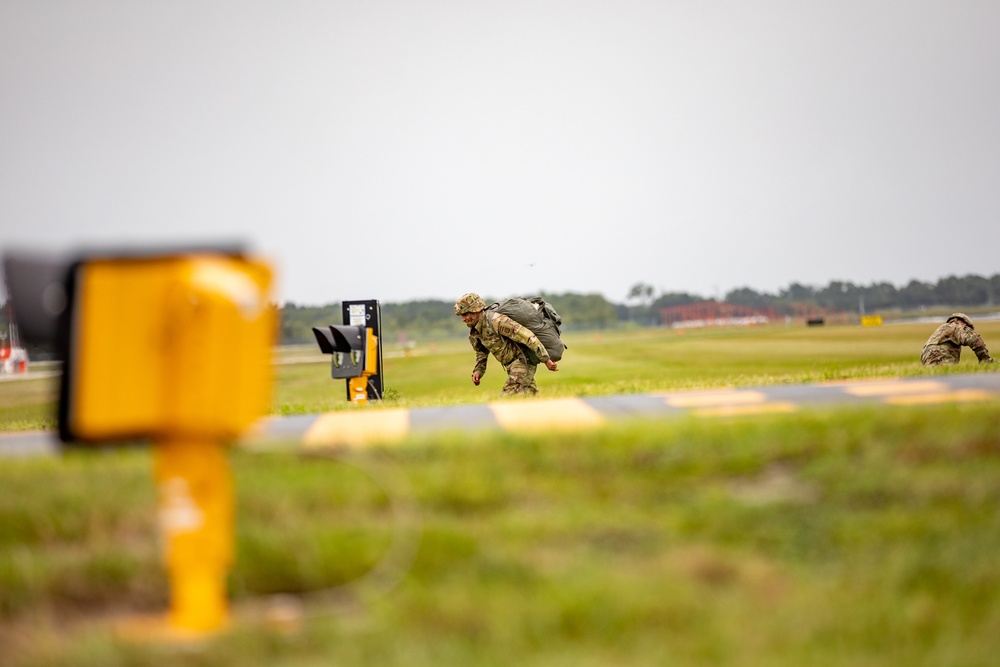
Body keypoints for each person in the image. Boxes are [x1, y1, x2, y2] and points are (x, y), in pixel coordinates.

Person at [454, 292, 558, 396]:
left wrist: (546, 359)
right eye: (462, 316)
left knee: (508, 397)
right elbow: (481, 351)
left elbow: (527, 336)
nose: (463, 319)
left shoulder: (496, 321)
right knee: (531, 400)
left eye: (465, 314)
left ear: (475, 310)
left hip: (522, 362)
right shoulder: (476, 330)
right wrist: (478, 371)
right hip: (511, 366)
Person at [920, 313, 995, 366]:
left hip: (925, 357)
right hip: (941, 356)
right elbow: (975, 340)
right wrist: (985, 359)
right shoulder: (957, 327)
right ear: (965, 324)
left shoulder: (942, 329)